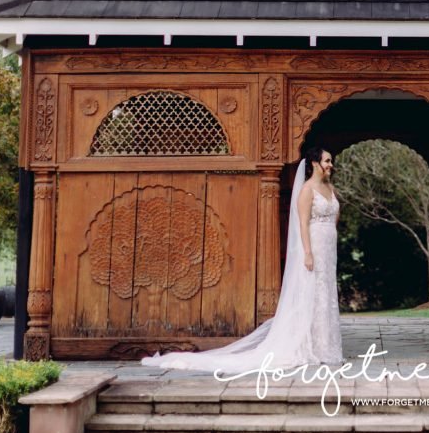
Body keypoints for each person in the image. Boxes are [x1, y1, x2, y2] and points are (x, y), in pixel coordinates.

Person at [142, 147, 342, 373]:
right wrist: (307, 252)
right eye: (327, 160)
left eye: (330, 161)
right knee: (311, 294)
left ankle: (326, 347)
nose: (330, 165)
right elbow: (303, 223)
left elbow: (334, 215)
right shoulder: (307, 190)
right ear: (315, 163)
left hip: (328, 249)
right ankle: (309, 346)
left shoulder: (329, 188)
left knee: (326, 294)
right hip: (313, 247)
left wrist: (328, 233)